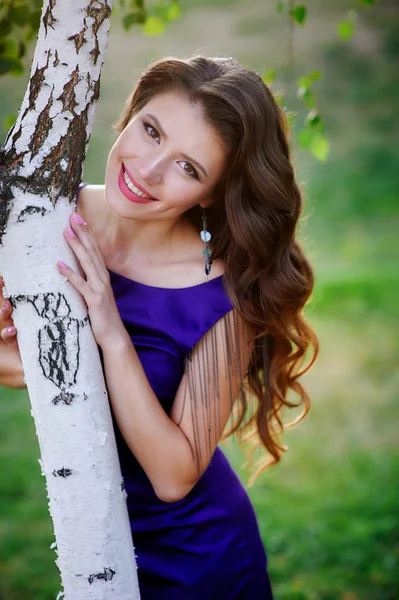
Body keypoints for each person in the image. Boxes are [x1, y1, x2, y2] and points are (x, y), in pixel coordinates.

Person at [0, 56, 318, 599]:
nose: (147, 170)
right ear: (130, 114)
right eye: (151, 131)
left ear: (212, 194)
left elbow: (175, 476)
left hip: (198, 558)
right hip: (88, 542)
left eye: (188, 167)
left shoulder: (221, 299)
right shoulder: (43, 222)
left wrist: (111, 331)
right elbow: (25, 373)